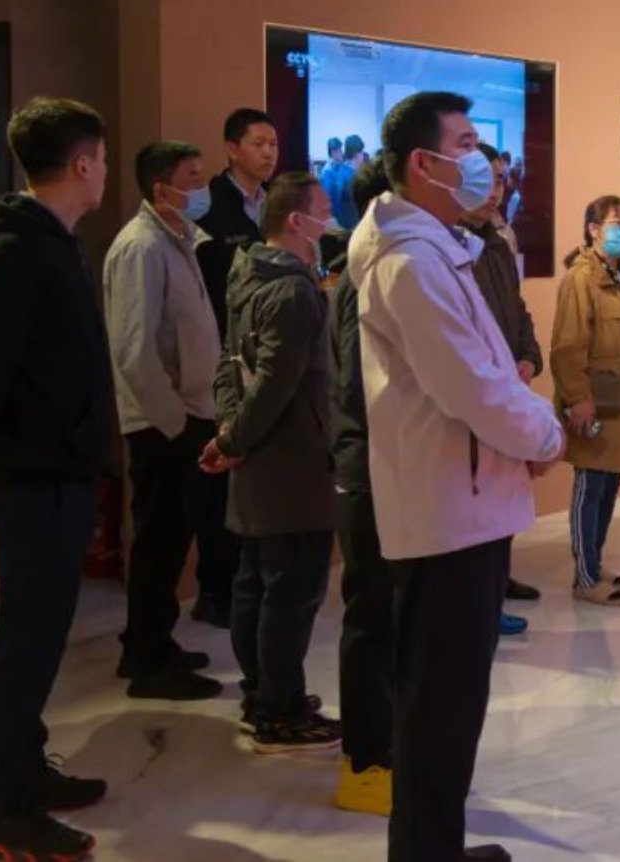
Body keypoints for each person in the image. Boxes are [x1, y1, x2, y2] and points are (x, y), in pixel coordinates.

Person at [349, 91, 565, 862]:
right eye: (467, 145)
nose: (483, 162)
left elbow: (488, 368)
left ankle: (433, 848)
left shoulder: (439, 247)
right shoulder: (411, 264)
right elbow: (472, 387)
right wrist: (544, 431)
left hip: (462, 503)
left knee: (448, 703)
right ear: (424, 162)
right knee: (438, 707)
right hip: (449, 513)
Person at [0, 97, 116, 861]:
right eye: (103, 159)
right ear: (82, 163)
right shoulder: (20, 248)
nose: (105, 172)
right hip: (29, 476)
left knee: (41, 640)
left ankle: (25, 772)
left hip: (54, 468)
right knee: (23, 647)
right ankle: (1, 818)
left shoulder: (48, 240)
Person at [203, 172, 340, 753]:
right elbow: (275, 384)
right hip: (292, 462)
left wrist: (229, 432)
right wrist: (234, 438)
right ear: (297, 221)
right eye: (324, 209)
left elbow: (230, 366)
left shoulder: (247, 275)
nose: (332, 219)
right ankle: (277, 712)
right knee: (289, 590)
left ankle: (264, 693)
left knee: (257, 582)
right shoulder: (292, 292)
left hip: (260, 457)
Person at [103, 141, 224, 701]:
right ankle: (146, 660)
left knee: (173, 539)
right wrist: (176, 423)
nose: (201, 188)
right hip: (163, 423)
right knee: (158, 541)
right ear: (161, 189)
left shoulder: (178, 239)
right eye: (192, 179)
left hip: (188, 414)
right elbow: (134, 351)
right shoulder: (141, 247)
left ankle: (151, 639)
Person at [550, 195, 620, 607]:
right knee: (590, 486)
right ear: (593, 229)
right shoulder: (580, 280)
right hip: (594, 405)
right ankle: (584, 577)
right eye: (617, 224)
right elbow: (567, 347)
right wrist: (578, 399)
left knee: (610, 484)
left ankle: (595, 564)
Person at [191, 107, 279, 628]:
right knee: (218, 484)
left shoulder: (273, 204)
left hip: (266, 355)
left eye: (273, 143)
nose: (268, 152)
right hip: (224, 357)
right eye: (258, 143)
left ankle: (249, 584)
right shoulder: (208, 206)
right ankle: (214, 590)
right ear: (231, 149)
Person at [329, 159, 395, 815]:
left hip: (388, 469)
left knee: (390, 618)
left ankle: (387, 746)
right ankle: (366, 762)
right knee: (372, 617)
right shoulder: (362, 276)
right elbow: (357, 386)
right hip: (369, 471)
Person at [465, 142, 545, 632]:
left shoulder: (498, 239)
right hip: (478, 395)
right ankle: (481, 601)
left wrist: (528, 356)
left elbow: (517, 308)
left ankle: (498, 580)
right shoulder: (449, 246)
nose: (495, 190)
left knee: (506, 498)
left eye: (499, 180)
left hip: (510, 385)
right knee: (478, 503)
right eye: (485, 180)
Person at [324, 134, 365, 231]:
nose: (363, 156)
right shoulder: (352, 177)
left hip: (341, 225)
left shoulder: (340, 170)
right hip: (350, 226)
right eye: (362, 153)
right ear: (356, 154)